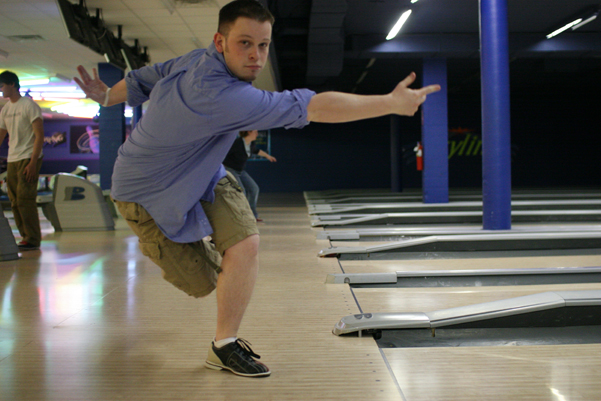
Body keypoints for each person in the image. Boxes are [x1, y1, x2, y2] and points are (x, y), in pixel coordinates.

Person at [73, 0, 440, 378]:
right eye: (244, 43)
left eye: (263, 45)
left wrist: (104, 96)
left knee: (246, 243)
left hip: (202, 170)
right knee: (204, 283)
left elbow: (140, 81)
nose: (255, 55)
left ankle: (224, 345)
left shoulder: (194, 59)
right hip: (145, 192)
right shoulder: (222, 95)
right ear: (220, 41)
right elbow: (314, 107)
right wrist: (389, 103)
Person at [0, 71, 44, 251]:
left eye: (2, 85)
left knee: (25, 198)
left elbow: (39, 136)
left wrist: (33, 162)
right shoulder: (5, 109)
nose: (1, 89)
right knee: (14, 200)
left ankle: (32, 238)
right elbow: (1, 135)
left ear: (12, 85)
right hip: (13, 158)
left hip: (28, 157)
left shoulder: (29, 106)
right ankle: (25, 237)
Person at [223, 129, 275, 221]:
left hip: (240, 171)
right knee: (241, 191)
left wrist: (268, 156)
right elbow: (223, 154)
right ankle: (242, 216)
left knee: (254, 189)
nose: (257, 134)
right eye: (255, 132)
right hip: (230, 170)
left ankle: (253, 215)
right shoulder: (237, 143)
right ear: (249, 132)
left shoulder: (251, 144)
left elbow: (256, 151)